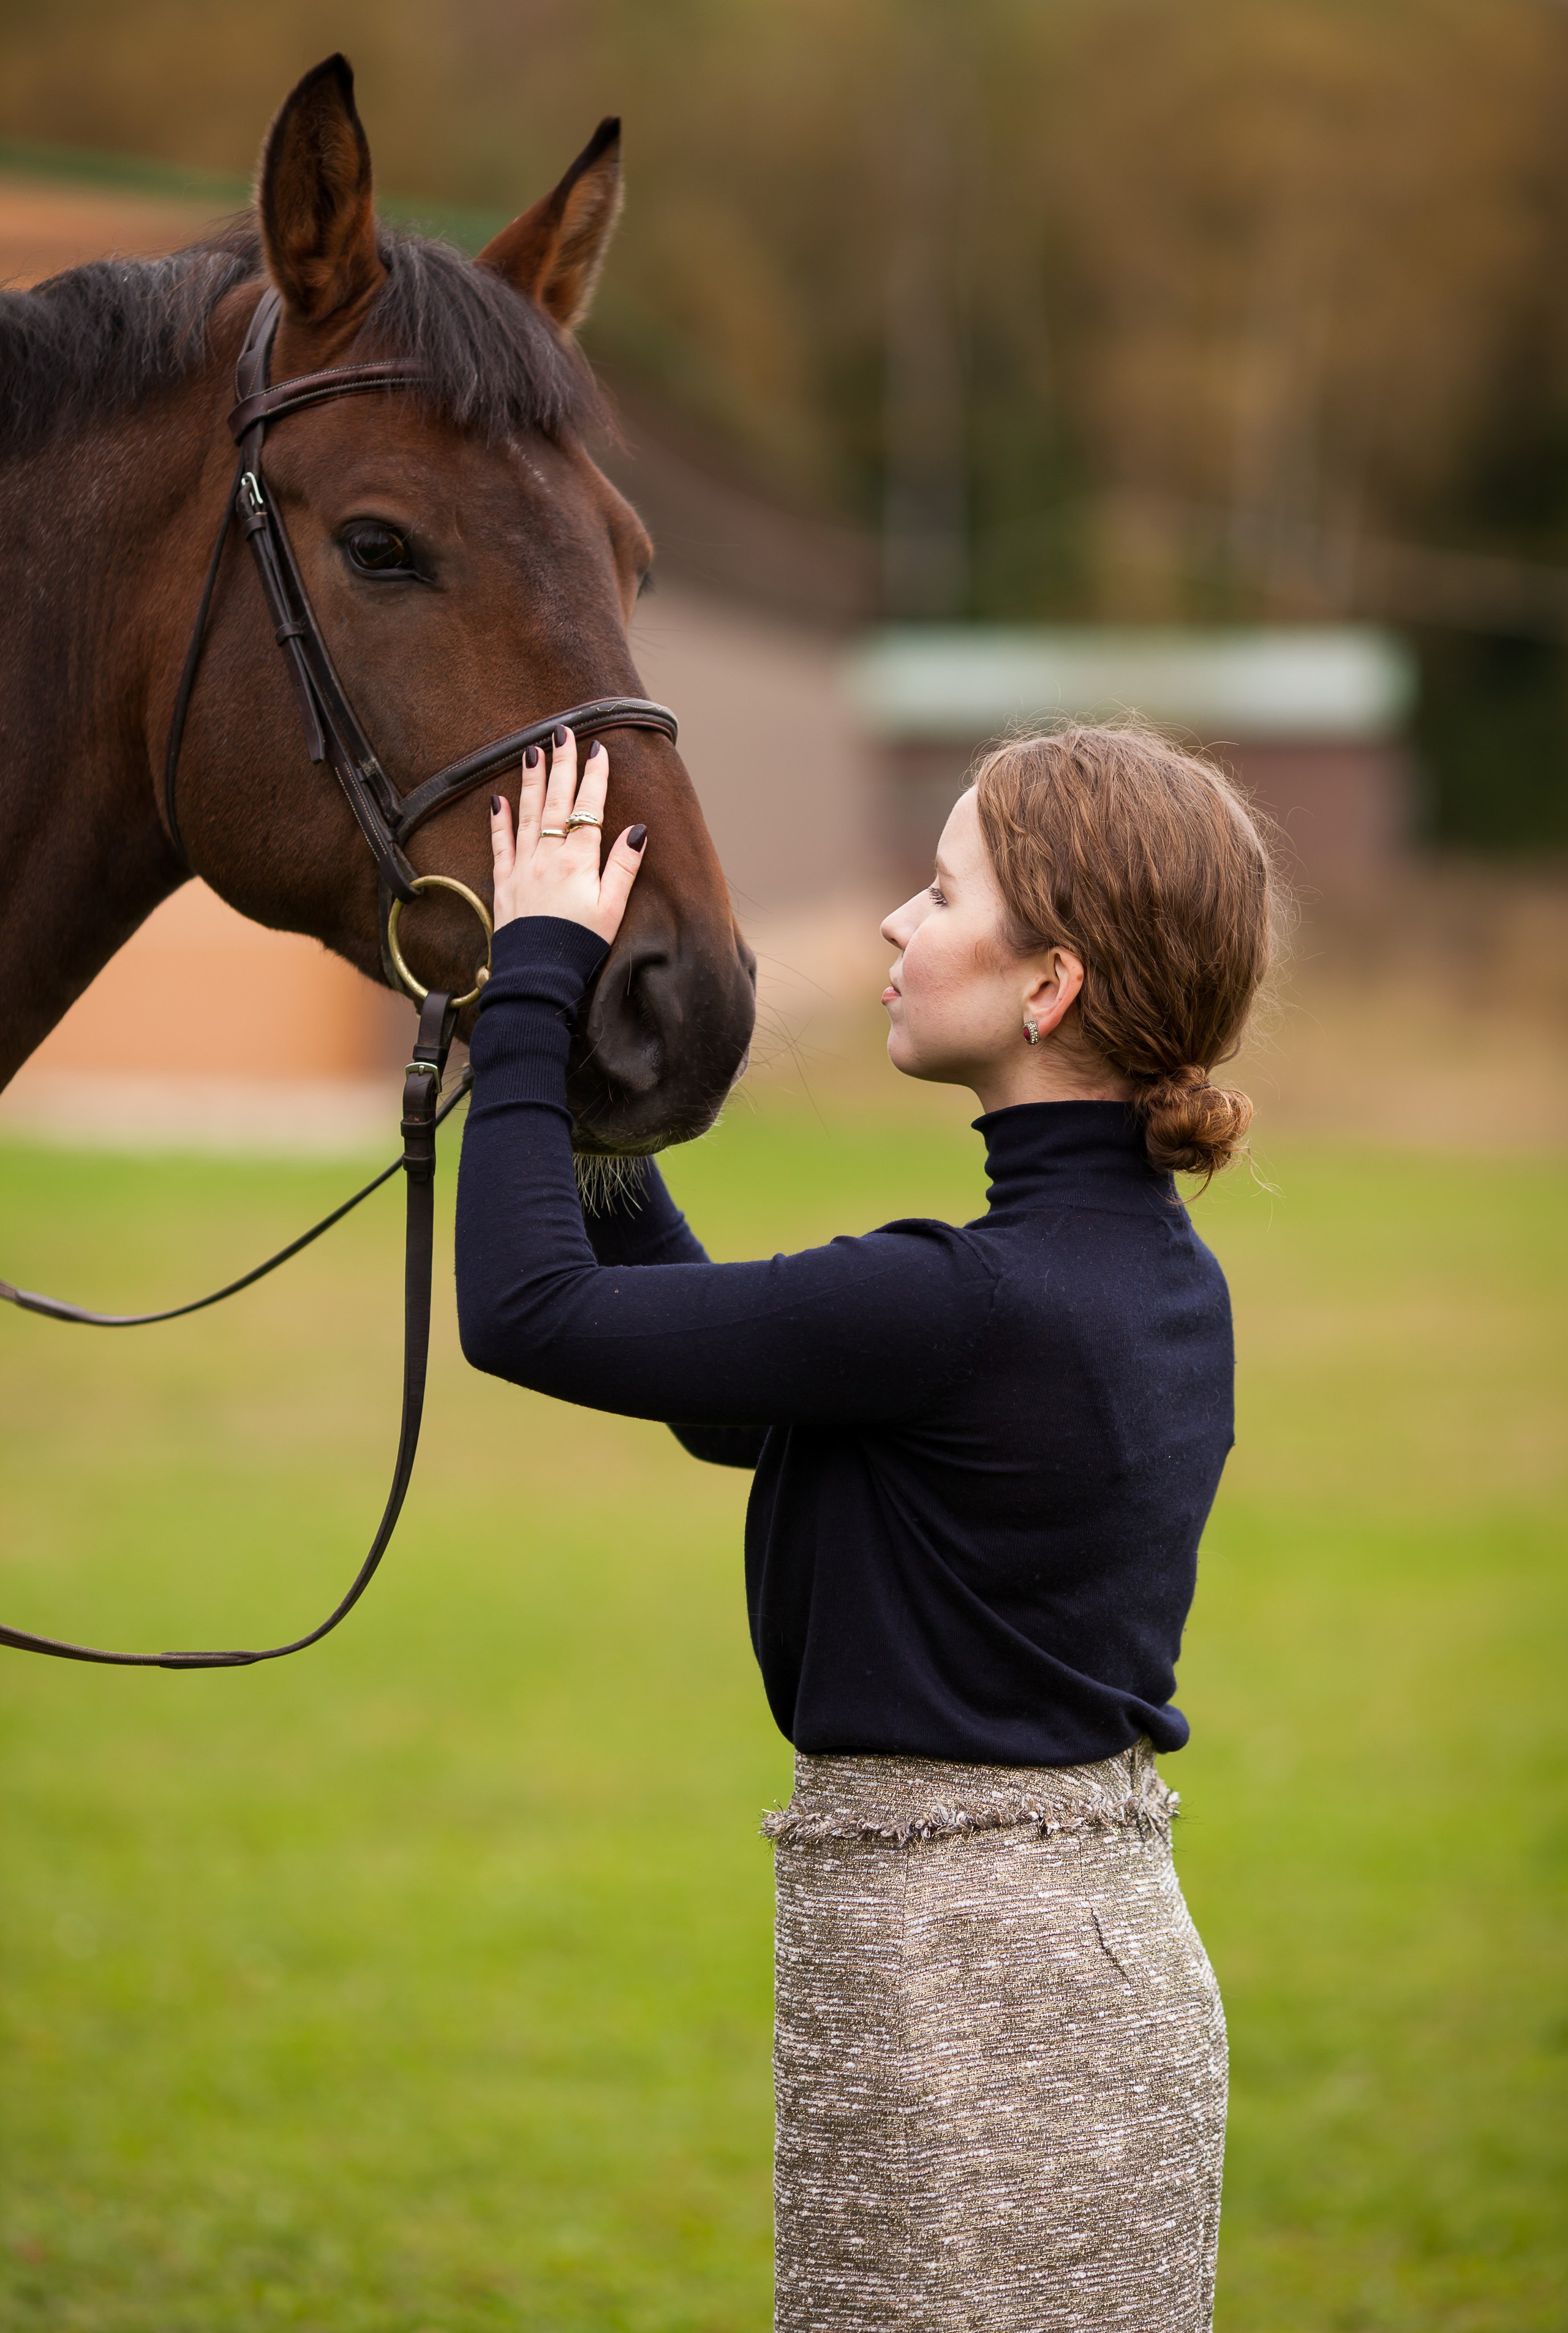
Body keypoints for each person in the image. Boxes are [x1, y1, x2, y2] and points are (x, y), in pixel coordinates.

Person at [456, 718, 1279, 2333]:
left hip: (960, 1996)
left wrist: (534, 979)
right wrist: (598, 1106)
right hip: (1099, 1978)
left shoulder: (952, 1306)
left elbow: (529, 1310)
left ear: (1049, 984)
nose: (898, 924)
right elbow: (729, 1391)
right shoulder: (1159, 1281)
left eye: (942, 885)